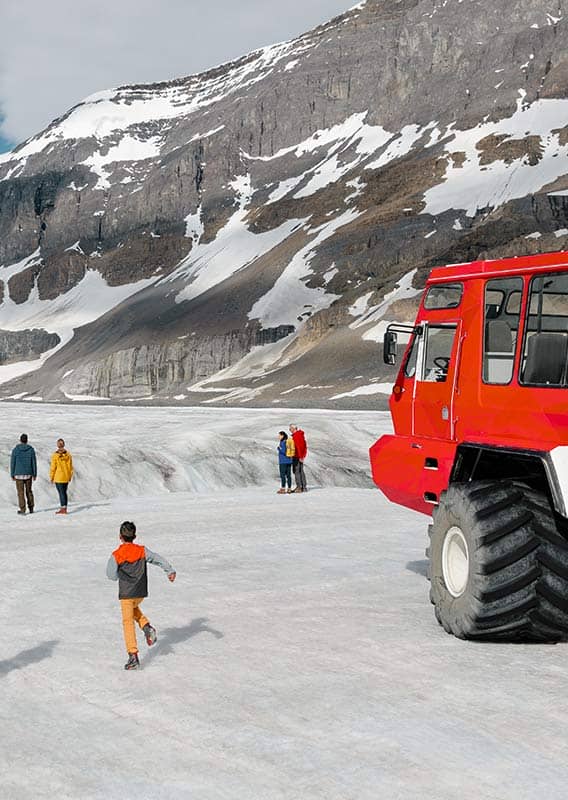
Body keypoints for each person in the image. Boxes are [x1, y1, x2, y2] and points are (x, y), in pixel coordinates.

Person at [106, 520, 176, 670]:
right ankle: (146, 627)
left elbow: (111, 576)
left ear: (120, 536)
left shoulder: (117, 555)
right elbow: (157, 559)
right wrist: (169, 570)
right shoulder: (142, 551)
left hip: (126, 593)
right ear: (135, 536)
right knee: (133, 609)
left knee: (127, 622)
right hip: (140, 592)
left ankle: (133, 655)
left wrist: (120, 572)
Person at [10, 433, 37, 515]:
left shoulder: (16, 450)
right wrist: (34, 473)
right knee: (29, 491)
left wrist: (12, 474)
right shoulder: (31, 449)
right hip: (28, 473)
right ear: (27, 440)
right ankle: (31, 508)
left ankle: (22, 509)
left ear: (20, 440)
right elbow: (34, 462)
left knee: (20, 492)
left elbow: (12, 463)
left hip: (18, 474)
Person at [50, 438, 73, 515]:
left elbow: (53, 467)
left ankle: (63, 508)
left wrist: (51, 477)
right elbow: (70, 467)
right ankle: (64, 507)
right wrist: (70, 476)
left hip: (58, 477)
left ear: (57, 445)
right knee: (64, 492)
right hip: (66, 476)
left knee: (61, 493)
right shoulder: (68, 455)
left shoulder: (55, 455)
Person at [289, 424, 308, 493]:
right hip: (300, 456)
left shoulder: (296, 436)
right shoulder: (301, 435)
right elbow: (304, 447)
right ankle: (304, 487)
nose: (289, 430)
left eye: (290, 428)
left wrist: (300, 456)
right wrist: (303, 456)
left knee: (296, 471)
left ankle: (299, 487)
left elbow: (298, 447)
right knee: (300, 471)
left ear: (294, 428)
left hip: (297, 456)